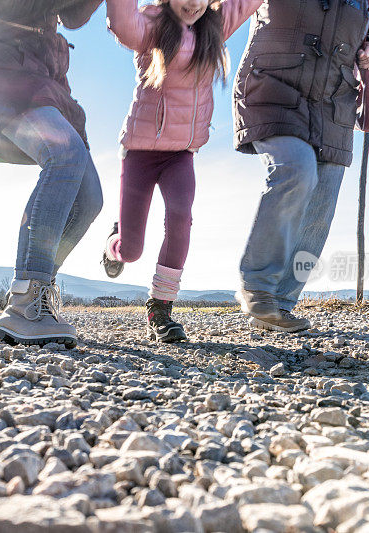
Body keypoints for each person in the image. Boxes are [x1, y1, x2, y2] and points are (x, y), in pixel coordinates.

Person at [102, 0, 261, 342]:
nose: (193, 3)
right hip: (140, 153)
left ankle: (160, 310)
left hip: (180, 155)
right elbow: (121, 23)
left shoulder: (215, 27)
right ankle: (114, 242)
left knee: (180, 218)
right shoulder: (151, 25)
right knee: (132, 250)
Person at [0, 0, 105, 348]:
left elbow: (73, 15)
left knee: (89, 198)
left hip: (42, 71)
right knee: (63, 152)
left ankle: (39, 296)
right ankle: (25, 300)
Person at [233, 0, 369, 332]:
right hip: (273, 86)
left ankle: (281, 305)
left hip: (335, 103)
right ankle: (258, 286)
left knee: (321, 205)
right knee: (296, 168)